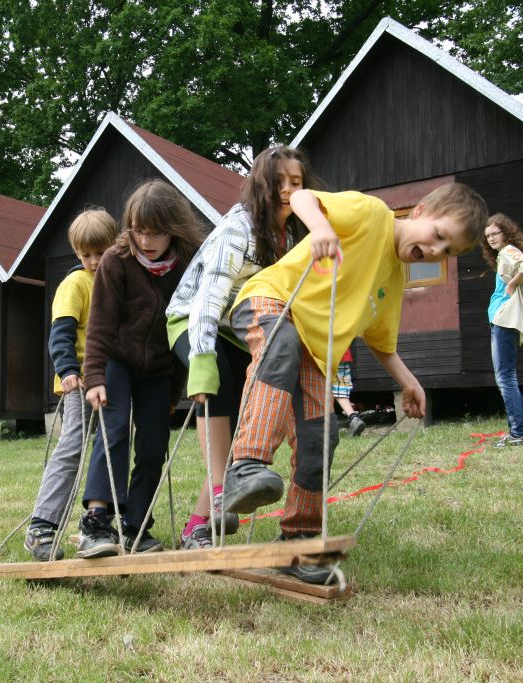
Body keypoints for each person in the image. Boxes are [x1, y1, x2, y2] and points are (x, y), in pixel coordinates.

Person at [222, 183, 488, 583]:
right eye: (438, 235)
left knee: (321, 436)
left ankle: (298, 544)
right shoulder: (372, 214)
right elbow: (301, 198)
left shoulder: (393, 280)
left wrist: (410, 383)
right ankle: (245, 467)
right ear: (418, 212)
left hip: (314, 350)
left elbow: (382, 343)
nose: (436, 251)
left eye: (448, 251)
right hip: (272, 301)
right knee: (280, 348)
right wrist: (321, 228)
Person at [165, 145, 316, 550]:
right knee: (217, 382)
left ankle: (197, 526)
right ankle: (221, 494)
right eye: (278, 183)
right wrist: (200, 361)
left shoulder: (297, 235)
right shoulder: (239, 227)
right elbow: (208, 298)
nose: (288, 191)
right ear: (260, 186)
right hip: (194, 319)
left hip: (236, 328)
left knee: (240, 420)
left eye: (296, 182)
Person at [77, 180, 203, 558]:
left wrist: (175, 391)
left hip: (159, 370)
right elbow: (99, 325)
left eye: (156, 232)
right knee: (114, 430)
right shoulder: (116, 261)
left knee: (153, 445)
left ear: (173, 229)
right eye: (139, 231)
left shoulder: (187, 266)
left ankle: (135, 526)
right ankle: (97, 522)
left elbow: (184, 329)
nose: (146, 241)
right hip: (116, 360)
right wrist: (94, 376)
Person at [23, 209, 119, 561]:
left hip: (111, 381)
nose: (94, 261)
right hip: (78, 380)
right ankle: (41, 525)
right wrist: (66, 370)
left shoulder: (115, 282)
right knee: (73, 446)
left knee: (109, 448)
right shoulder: (75, 284)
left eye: (101, 253)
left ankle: (98, 522)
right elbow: (60, 333)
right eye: (86, 254)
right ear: (77, 253)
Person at [482, 213, 523, 447]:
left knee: (505, 378)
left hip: (504, 320)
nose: (491, 239)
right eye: (487, 236)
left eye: (494, 233)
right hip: (503, 321)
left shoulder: (508, 251)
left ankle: (518, 433)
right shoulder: (503, 255)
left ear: (505, 233)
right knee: (508, 377)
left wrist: (513, 283)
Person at [332, 345, 366, 437]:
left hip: (322, 354)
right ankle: (353, 417)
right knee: (340, 388)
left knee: (322, 388)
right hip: (342, 353)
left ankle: (328, 424)